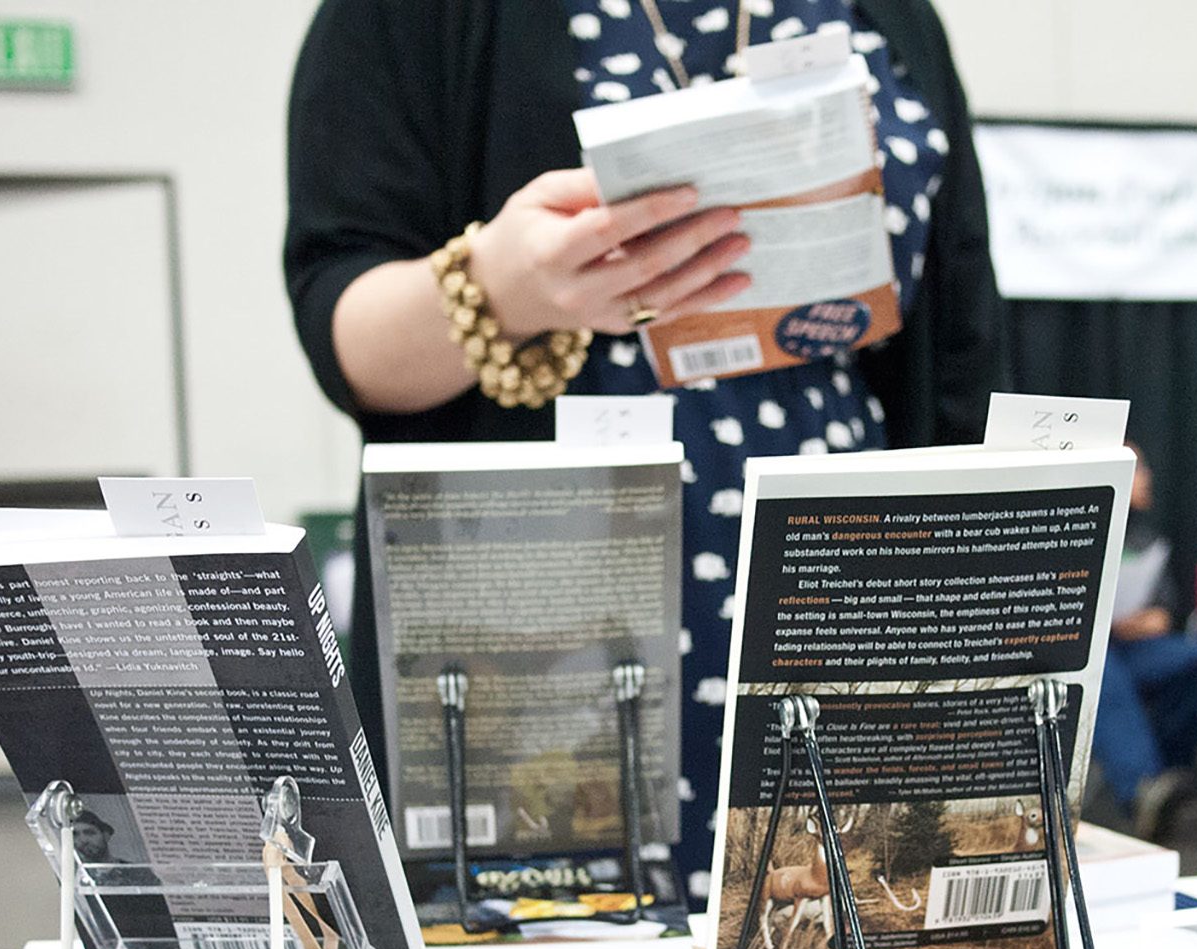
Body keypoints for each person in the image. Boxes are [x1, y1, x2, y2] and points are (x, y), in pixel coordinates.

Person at [284, 1, 1005, 898]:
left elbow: (959, 354)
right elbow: (341, 329)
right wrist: (500, 287)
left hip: (843, 585)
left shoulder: (893, 15)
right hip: (544, 617)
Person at [1091, 447, 1197, 841]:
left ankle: (1174, 779)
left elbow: (1162, 611)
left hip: (1133, 644)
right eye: (1139, 469)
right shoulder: (1083, 531)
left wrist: (1143, 620)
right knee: (1103, 671)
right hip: (1094, 651)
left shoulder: (1145, 537)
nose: (1148, 476)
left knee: (1196, 658)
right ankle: (1141, 790)